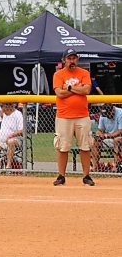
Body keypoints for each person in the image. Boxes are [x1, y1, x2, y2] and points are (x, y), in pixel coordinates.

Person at [52, 48, 95, 186]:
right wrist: (78, 89)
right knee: (62, 147)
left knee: (85, 146)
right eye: (69, 58)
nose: (72, 61)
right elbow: (59, 93)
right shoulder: (58, 75)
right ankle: (61, 176)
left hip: (82, 115)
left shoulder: (84, 73)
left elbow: (86, 90)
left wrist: (69, 88)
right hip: (64, 116)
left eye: (74, 58)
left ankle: (86, 176)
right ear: (64, 60)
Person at [0, 102, 23, 170]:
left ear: (9, 106)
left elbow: (22, 131)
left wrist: (11, 136)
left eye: (2, 106)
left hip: (15, 140)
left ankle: (8, 167)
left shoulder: (18, 114)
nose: (1, 109)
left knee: (11, 141)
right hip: (1, 141)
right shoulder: (3, 114)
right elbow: (4, 129)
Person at [92, 103, 122, 171]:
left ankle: (115, 167)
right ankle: (95, 167)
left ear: (113, 110)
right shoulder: (103, 114)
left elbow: (120, 131)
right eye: (106, 114)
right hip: (108, 138)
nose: (107, 116)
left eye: (108, 114)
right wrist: (99, 134)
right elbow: (100, 130)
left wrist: (107, 135)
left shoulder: (120, 113)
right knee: (96, 141)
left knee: (116, 140)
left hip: (119, 138)